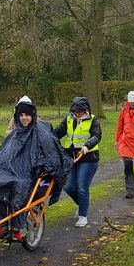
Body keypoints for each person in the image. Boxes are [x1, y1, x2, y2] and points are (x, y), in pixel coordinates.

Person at [0, 96, 71, 240]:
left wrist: (49, 171)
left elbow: (51, 156)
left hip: (31, 173)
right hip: (12, 170)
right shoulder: (14, 133)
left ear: (33, 116)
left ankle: (17, 228)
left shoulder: (42, 133)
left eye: (27, 115)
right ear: (18, 117)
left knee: (20, 186)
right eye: (21, 115)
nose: (24, 118)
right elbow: (3, 154)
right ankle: (1, 225)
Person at [55, 97, 101, 227]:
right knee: (68, 186)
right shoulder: (69, 119)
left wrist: (87, 145)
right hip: (71, 159)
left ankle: (83, 216)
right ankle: (83, 205)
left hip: (88, 159)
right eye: (75, 111)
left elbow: (97, 135)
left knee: (82, 187)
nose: (77, 114)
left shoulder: (93, 120)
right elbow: (58, 132)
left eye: (80, 111)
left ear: (85, 110)